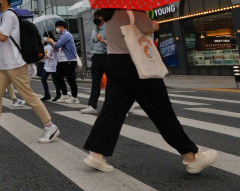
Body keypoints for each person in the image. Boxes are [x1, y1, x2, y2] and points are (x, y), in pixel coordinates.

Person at [83, 9, 217, 174]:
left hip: (114, 62)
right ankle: (191, 157)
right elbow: (146, 28)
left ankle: (96, 154)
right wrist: (155, 24)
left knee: (112, 111)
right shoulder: (131, 6)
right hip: (136, 62)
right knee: (161, 109)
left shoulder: (108, 11)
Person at [0, 0, 59, 143]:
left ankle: (51, 127)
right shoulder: (4, 16)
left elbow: (3, 37)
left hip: (15, 63)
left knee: (27, 95)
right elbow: (1, 40)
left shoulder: (9, 14)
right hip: (4, 64)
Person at [0, 19, 26, 108]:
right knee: (0, 83)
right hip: (0, 60)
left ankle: (14, 100)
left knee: (6, 82)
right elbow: (3, 44)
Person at [81, 10, 107, 114]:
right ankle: (92, 105)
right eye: (94, 16)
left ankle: (109, 106)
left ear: (103, 18)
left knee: (110, 84)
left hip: (106, 57)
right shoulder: (93, 31)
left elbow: (113, 45)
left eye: (98, 16)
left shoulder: (108, 30)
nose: (96, 18)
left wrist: (102, 40)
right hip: (96, 58)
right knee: (95, 83)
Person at [47, 20, 79, 104]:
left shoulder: (66, 35)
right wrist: (51, 43)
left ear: (61, 26)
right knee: (58, 77)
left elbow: (57, 45)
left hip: (69, 60)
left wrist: (52, 40)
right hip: (61, 61)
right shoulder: (62, 36)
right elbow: (57, 48)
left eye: (57, 27)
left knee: (70, 79)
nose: (57, 29)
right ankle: (64, 95)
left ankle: (75, 97)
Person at [40, 32, 61, 102]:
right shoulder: (45, 45)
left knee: (55, 81)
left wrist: (44, 57)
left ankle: (58, 95)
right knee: (43, 79)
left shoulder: (54, 45)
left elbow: (50, 55)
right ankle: (47, 94)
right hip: (47, 65)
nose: (44, 38)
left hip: (53, 65)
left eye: (45, 36)